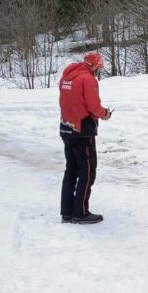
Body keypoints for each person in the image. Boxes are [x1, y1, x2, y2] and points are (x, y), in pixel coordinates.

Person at [59, 51, 112, 224]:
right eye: (98, 67)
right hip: (82, 130)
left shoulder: (68, 76)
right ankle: (80, 212)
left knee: (71, 171)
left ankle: (67, 212)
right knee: (87, 172)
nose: (98, 70)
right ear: (95, 65)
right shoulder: (88, 80)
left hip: (67, 127)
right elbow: (93, 107)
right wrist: (104, 114)